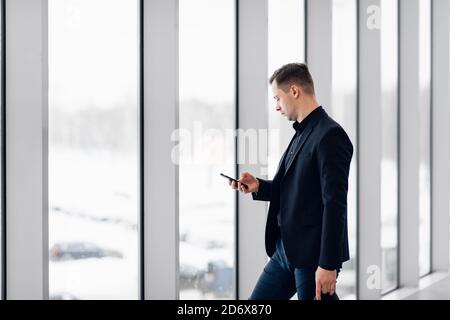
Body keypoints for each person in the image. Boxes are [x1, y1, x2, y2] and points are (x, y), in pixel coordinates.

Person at [228, 63, 353, 300]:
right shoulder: (302, 133)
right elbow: (296, 189)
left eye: (277, 98)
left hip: (312, 257)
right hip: (284, 251)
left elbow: (335, 205)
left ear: (294, 91)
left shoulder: (330, 135)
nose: (276, 106)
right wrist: (259, 186)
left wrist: (328, 264)